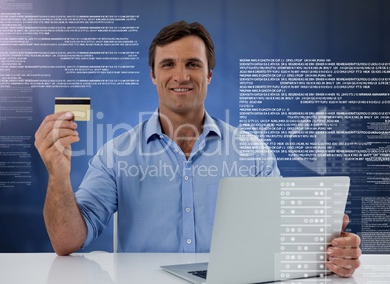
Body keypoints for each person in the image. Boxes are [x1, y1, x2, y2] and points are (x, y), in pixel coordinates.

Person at [35, 20, 361, 277]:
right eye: (168, 65)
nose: (181, 75)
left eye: (193, 63)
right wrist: (58, 176)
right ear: (152, 75)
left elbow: (283, 237)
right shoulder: (115, 154)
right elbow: (67, 242)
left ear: (209, 74)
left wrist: (332, 253)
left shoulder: (254, 154)